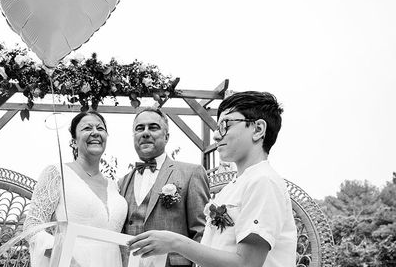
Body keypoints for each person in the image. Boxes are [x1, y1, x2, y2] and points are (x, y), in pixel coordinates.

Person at [127, 91, 297, 267]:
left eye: (225, 125)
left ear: (258, 129)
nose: (216, 135)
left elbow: (247, 263)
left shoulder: (263, 181)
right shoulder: (234, 187)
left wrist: (175, 243)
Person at [23, 111, 128, 267]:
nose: (95, 132)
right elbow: (32, 226)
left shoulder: (114, 186)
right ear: (73, 142)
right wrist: (64, 257)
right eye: (87, 128)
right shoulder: (57, 173)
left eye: (100, 128)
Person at [119, 107, 210, 267]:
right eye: (140, 128)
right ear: (134, 136)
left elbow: (202, 232)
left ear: (166, 136)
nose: (145, 133)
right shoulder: (123, 182)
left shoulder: (191, 173)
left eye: (153, 127)